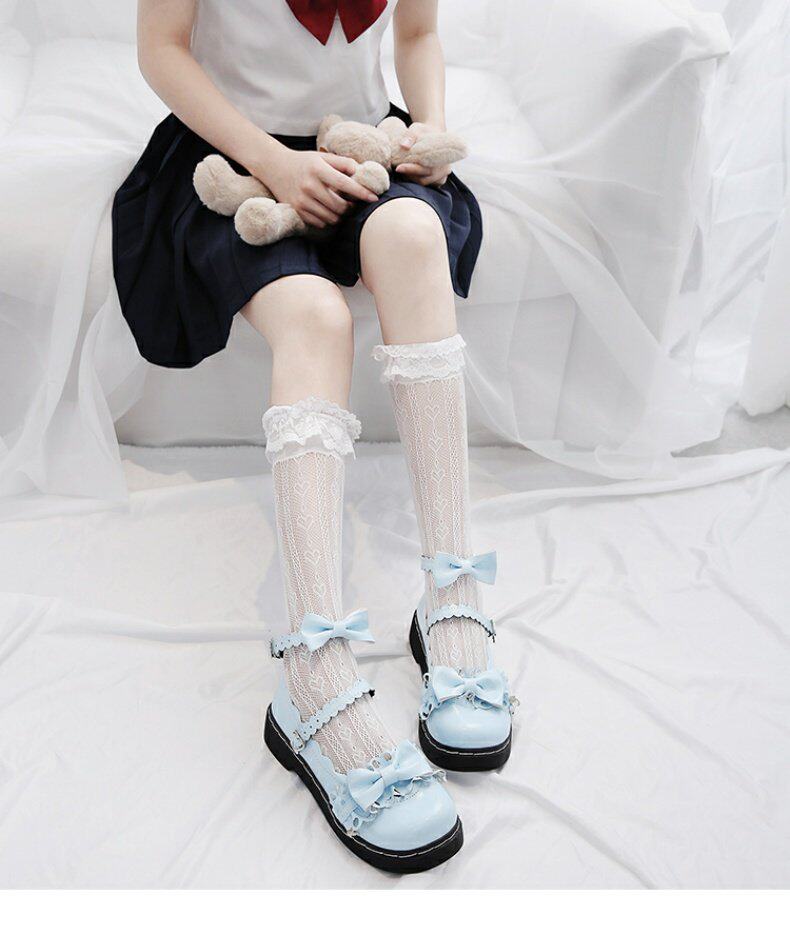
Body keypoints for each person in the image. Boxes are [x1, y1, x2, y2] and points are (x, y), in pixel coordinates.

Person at [113, 0, 512, 873]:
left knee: (414, 232)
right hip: (237, 160)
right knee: (316, 318)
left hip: (360, 148)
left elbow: (416, 33)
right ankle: (311, 668)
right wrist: (275, 162)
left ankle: (451, 589)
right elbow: (163, 50)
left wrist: (428, 131)